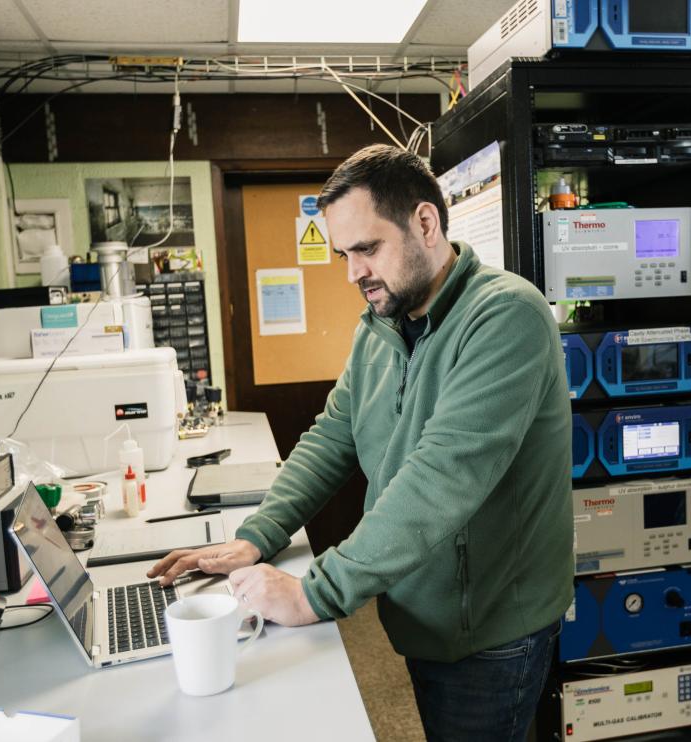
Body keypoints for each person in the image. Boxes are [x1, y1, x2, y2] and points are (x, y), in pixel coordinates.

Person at [149, 144, 573, 741]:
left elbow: (440, 478)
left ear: (426, 223)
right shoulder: (381, 324)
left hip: (492, 628)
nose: (352, 272)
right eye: (344, 254)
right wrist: (256, 537)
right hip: (425, 608)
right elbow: (333, 435)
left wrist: (313, 596)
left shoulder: (505, 317)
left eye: (367, 249)